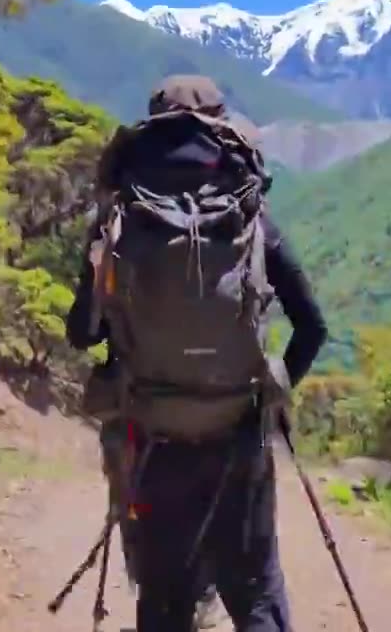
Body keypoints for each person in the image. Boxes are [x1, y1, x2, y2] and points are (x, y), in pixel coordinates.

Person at [65, 75, 327, 632]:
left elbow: (80, 334)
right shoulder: (251, 217)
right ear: (222, 126)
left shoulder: (119, 219)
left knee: (164, 596)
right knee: (255, 591)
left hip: (152, 444)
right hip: (238, 438)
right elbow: (312, 326)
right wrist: (276, 384)